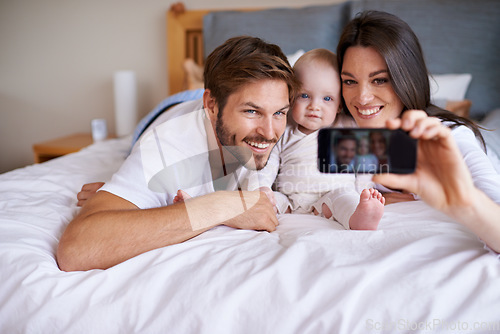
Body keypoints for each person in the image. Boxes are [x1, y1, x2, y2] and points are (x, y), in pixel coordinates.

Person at [57, 36, 299, 271]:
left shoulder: (287, 117)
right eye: (252, 112)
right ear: (212, 106)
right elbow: (76, 250)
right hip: (168, 110)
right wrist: (222, 206)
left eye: (279, 113)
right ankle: (193, 78)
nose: (269, 133)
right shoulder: (166, 145)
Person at [336, 10, 500, 249]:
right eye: (350, 81)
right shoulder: (336, 134)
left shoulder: (451, 139)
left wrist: (463, 202)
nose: (362, 97)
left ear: (406, 78)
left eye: (380, 79)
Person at [255, 49, 384, 230]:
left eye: (327, 98)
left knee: (346, 199)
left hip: (331, 195)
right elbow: (269, 162)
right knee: (265, 202)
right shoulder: (284, 128)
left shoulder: (346, 127)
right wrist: (263, 188)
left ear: (339, 105)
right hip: (290, 200)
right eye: (305, 96)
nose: (315, 106)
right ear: (291, 97)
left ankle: (361, 217)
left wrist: (363, 189)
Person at [374, 111, 500, 253]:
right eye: (350, 86)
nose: (363, 97)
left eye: (379, 86)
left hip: (489, 143)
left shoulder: (450, 135)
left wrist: (466, 202)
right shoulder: (350, 135)